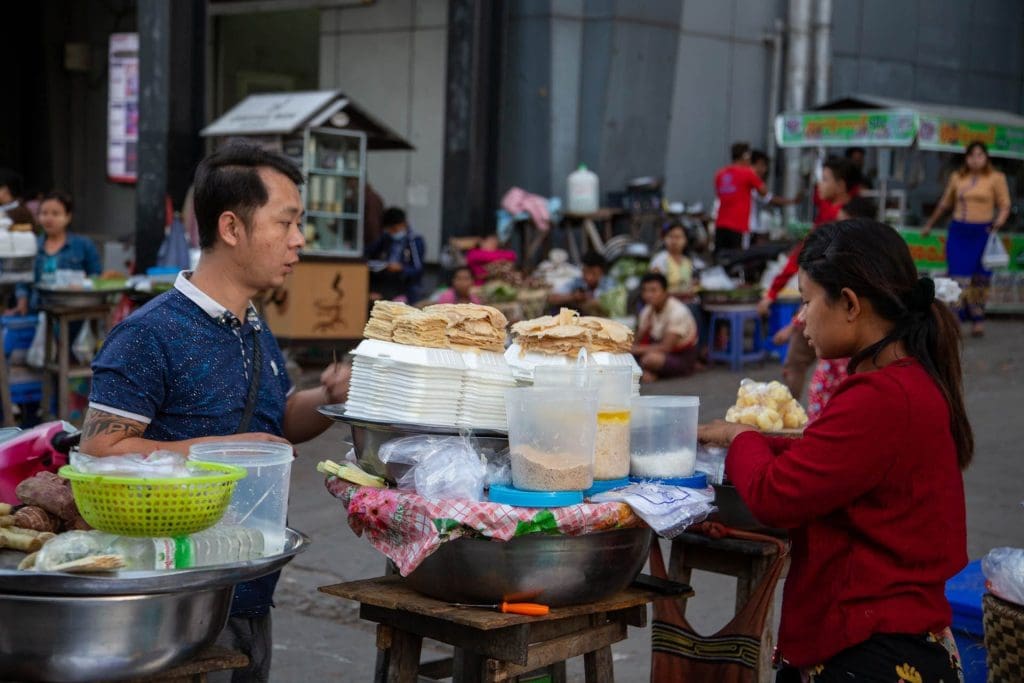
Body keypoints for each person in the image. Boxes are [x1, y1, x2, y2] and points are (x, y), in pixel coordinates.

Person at [80, 142, 352, 682]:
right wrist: (229, 453)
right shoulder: (148, 334)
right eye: (286, 222)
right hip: (174, 606)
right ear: (232, 228)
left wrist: (328, 400)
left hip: (248, 591)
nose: (299, 240)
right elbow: (99, 452)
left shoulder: (251, 324)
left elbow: (272, 425)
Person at [699, 218, 969, 681]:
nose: (800, 318)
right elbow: (828, 459)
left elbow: (774, 496)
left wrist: (736, 436)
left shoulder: (880, 398)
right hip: (890, 635)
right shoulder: (906, 382)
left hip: (869, 649)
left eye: (806, 302)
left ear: (848, 303)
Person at [757, 157, 860, 400]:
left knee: (823, 374)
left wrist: (792, 318)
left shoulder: (843, 221)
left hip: (830, 306)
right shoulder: (829, 215)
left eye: (824, 179)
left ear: (842, 185)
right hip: (826, 307)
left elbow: (800, 262)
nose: (819, 186)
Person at [922, 140, 1010, 337]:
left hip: (983, 232)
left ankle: (978, 319)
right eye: (971, 155)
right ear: (966, 158)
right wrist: (929, 224)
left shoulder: (996, 178)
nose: (975, 159)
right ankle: (953, 319)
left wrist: (999, 222)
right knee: (957, 276)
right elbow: (945, 203)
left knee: (980, 278)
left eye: (980, 155)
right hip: (959, 232)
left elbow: (1005, 204)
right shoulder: (957, 177)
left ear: (986, 157)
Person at [9, 191, 102, 315]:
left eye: (55, 213)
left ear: (68, 217)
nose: (49, 218)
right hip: (38, 310)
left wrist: (83, 285)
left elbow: (96, 276)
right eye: (44, 213)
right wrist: (22, 304)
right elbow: (23, 280)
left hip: (74, 311)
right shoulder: (32, 245)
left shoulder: (84, 245)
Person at [632, 273, 699, 383]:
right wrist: (643, 331)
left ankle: (647, 373)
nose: (648, 295)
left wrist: (634, 350)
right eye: (645, 290)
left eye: (653, 290)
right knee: (628, 356)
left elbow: (666, 347)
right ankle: (645, 373)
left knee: (649, 359)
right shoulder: (647, 310)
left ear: (665, 292)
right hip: (657, 350)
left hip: (680, 356)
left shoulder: (677, 311)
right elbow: (637, 340)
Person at [713, 142, 767, 257]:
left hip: (720, 224)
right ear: (745, 156)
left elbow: (719, 194)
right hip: (738, 226)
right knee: (738, 259)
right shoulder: (747, 173)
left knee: (720, 258)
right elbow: (764, 192)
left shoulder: (720, 174)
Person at [365, 207, 426, 303]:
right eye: (389, 230)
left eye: (394, 229)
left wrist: (401, 268)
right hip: (386, 281)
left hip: (406, 284)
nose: (392, 233)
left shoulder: (414, 241)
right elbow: (369, 251)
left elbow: (417, 269)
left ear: (403, 224)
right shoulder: (386, 238)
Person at [748, 150, 801, 246]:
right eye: (761, 165)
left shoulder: (753, 184)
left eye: (765, 166)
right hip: (744, 230)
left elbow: (768, 198)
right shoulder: (749, 182)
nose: (764, 170)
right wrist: (793, 201)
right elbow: (770, 198)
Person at [548, 250, 614, 316]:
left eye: (593, 273)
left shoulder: (609, 283)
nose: (589, 277)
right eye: (585, 272)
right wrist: (573, 297)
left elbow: (608, 305)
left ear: (602, 272)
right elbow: (552, 298)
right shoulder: (577, 281)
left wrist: (583, 301)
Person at [648, 222, 695, 296]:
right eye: (670, 236)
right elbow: (654, 288)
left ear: (685, 240)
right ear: (664, 239)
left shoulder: (687, 261)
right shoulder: (659, 260)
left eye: (678, 237)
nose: (674, 241)